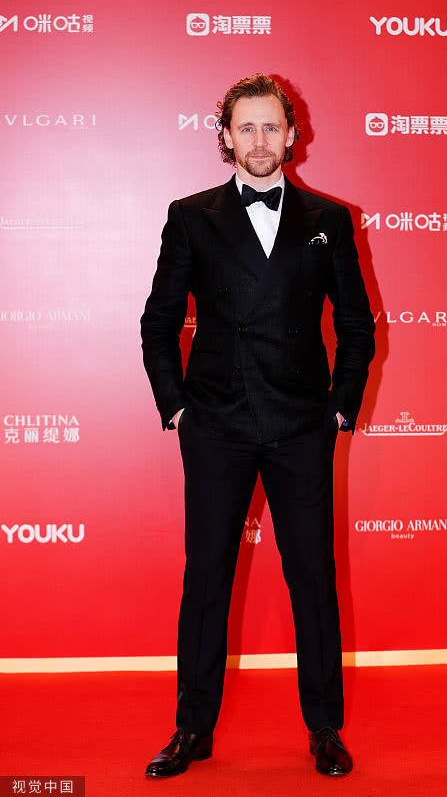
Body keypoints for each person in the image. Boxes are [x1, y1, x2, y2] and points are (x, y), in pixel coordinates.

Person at [140, 73, 375, 778]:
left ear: (292, 134)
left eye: (272, 125)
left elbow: (356, 325)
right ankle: (192, 729)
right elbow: (158, 321)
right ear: (225, 137)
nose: (260, 139)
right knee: (207, 578)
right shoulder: (190, 216)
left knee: (312, 578)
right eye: (246, 127)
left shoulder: (329, 219)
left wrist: (340, 406)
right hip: (216, 424)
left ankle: (324, 727)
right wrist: (176, 406)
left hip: (301, 424)